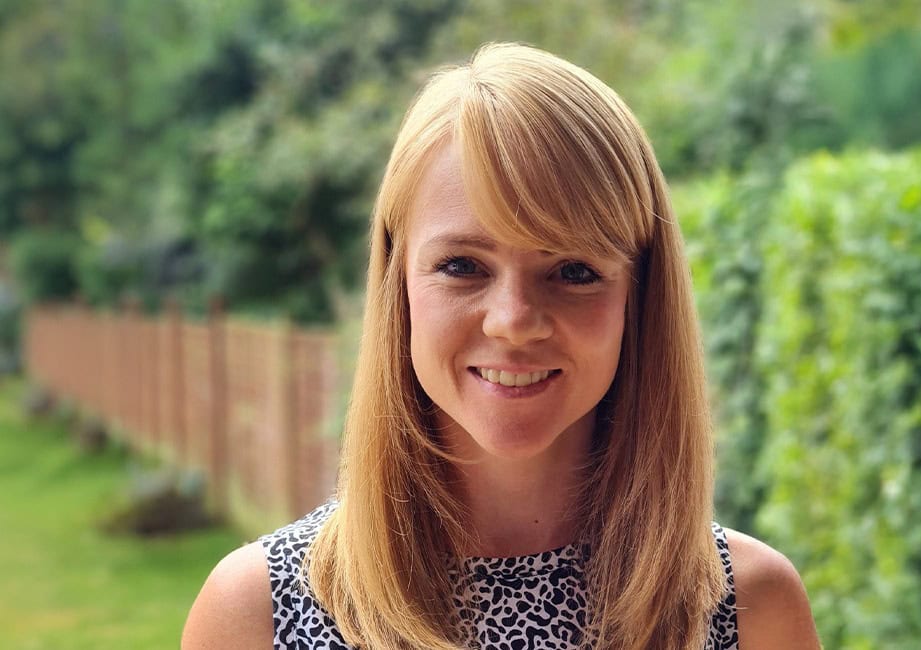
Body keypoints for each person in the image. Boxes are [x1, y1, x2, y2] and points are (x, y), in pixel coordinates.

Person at [182, 42, 818, 650]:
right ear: (398, 284)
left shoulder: (746, 608)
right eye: (463, 266)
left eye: (573, 270)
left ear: (640, 297)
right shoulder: (260, 614)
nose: (513, 321)